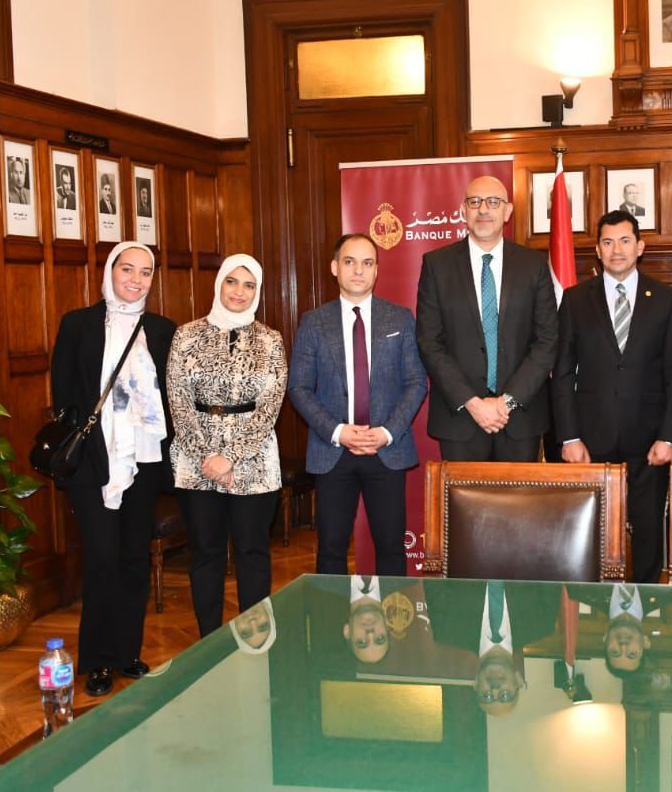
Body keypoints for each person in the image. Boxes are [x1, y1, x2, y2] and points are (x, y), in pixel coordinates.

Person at [49, 240, 175, 697]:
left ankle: (126, 653)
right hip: (93, 462)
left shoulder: (162, 330)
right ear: (110, 272)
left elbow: (170, 397)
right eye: (127, 269)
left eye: (145, 272)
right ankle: (98, 660)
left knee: (133, 557)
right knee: (101, 557)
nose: (135, 279)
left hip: (144, 459)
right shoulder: (78, 324)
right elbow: (63, 395)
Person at [552, 210, 672, 583]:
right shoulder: (576, 299)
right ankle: (591, 604)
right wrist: (569, 437)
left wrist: (669, 436)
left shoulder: (664, 299)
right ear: (597, 250)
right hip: (590, 439)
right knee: (589, 530)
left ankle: (645, 599)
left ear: (640, 246)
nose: (617, 250)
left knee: (647, 529)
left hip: (649, 439)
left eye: (625, 241)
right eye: (608, 242)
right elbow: (562, 373)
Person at [288, 233, 427, 575]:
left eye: (367, 263)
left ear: (377, 270)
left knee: (391, 549)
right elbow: (299, 387)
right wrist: (337, 432)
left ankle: (393, 614)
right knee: (331, 550)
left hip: (386, 450)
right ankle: (331, 612)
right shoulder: (313, 322)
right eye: (350, 262)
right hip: (333, 451)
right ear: (335, 267)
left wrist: (387, 432)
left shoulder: (400, 319)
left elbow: (416, 382)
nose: (358, 271)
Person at [167, 253, 286, 638]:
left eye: (249, 285)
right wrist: (208, 458)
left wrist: (231, 457)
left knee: (253, 552)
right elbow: (178, 402)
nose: (239, 291)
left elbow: (270, 406)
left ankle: (255, 643)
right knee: (206, 554)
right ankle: (210, 644)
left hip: (255, 462)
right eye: (232, 281)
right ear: (219, 283)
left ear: (257, 291)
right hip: (196, 461)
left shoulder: (270, 339)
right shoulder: (186, 335)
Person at [415, 175, 558, 461]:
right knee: (462, 494)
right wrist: (473, 403)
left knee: (518, 494)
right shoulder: (437, 265)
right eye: (474, 202)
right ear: (462, 211)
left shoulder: (534, 265)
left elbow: (547, 341)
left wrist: (507, 402)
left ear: (507, 211)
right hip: (460, 418)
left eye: (493, 202)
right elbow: (430, 342)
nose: (483, 209)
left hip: (519, 419)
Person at [422, 579, 561, 717]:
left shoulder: (446, 628)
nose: (495, 690)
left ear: (476, 683)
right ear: (518, 681)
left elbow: (433, 569)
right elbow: (551, 567)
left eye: (486, 696)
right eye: (505, 695)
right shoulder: (542, 622)